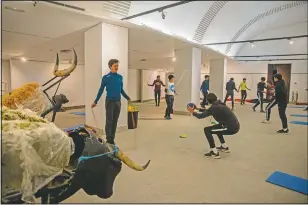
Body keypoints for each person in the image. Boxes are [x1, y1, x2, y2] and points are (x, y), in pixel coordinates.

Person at [187, 93, 240, 159]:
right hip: (233, 125)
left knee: (207, 130)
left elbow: (200, 116)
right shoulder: (219, 104)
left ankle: (214, 152)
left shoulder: (214, 107)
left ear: (208, 101)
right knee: (217, 128)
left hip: (231, 128)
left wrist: (192, 112)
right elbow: (209, 111)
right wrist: (197, 109)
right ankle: (224, 147)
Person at [91, 59, 131, 145]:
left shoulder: (120, 77)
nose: (117, 67)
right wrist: (95, 101)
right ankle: (108, 139)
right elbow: (101, 90)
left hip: (118, 102)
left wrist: (127, 97)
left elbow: (121, 90)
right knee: (109, 120)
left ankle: (112, 138)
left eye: (117, 66)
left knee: (115, 120)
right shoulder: (106, 78)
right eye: (115, 66)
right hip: (110, 101)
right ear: (110, 66)